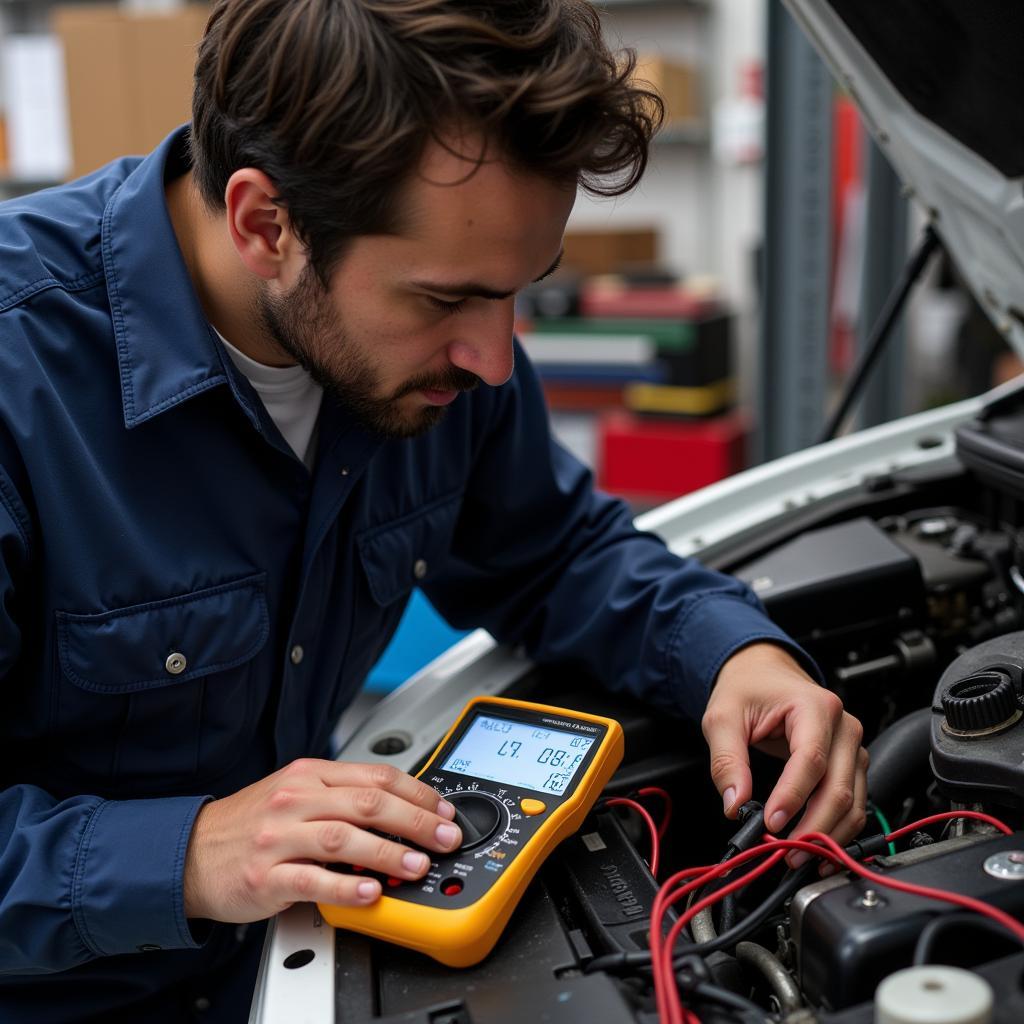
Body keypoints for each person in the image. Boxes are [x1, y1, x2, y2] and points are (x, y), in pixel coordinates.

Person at [0, 1, 867, 1020]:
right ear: (264, 224)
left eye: (521, 292)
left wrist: (731, 653)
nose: (494, 359)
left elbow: (558, 552)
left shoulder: (441, 350)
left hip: (305, 957)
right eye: (445, 300)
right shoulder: (23, 378)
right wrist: (186, 853)